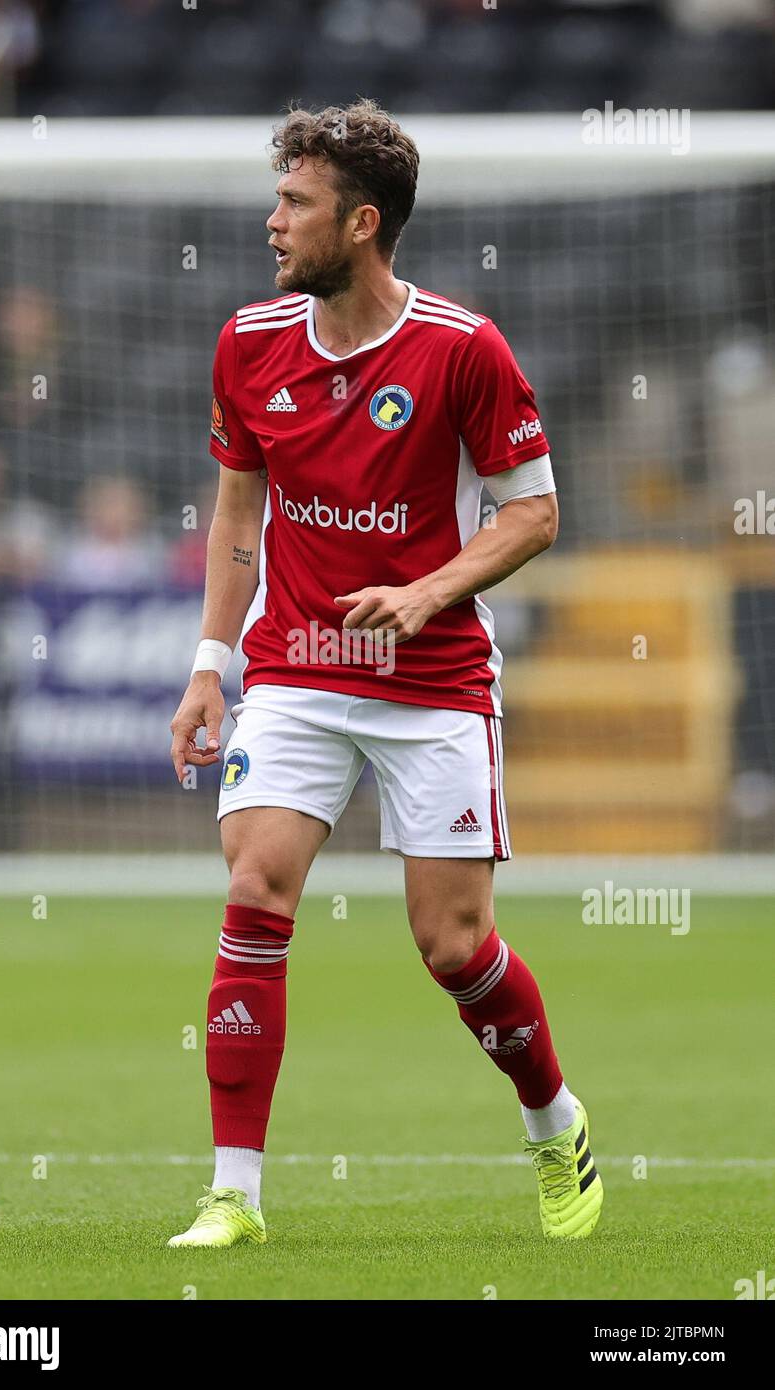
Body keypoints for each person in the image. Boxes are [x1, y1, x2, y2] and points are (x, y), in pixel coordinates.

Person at [167, 99, 603, 1250]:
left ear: (360, 223)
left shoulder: (463, 349)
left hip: (432, 676)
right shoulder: (249, 343)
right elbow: (238, 512)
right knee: (255, 888)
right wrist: (211, 665)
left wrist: (425, 593)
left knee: (452, 944)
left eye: (295, 204)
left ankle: (554, 1119)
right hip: (300, 664)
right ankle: (234, 1193)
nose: (272, 223)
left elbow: (538, 512)